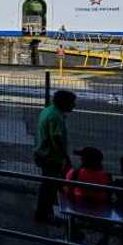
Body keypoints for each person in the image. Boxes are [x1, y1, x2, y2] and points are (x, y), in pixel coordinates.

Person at [33, 89, 76, 223]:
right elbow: (56, 138)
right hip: (51, 157)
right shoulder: (56, 116)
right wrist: (64, 156)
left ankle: (48, 213)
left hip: (42, 153)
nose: (73, 106)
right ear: (64, 103)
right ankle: (43, 215)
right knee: (49, 187)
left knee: (50, 185)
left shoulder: (49, 110)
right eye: (72, 103)